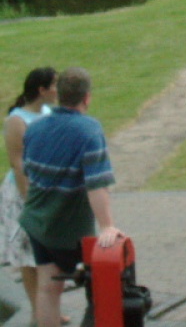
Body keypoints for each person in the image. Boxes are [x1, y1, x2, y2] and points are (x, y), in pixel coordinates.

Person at [20, 67, 123, 327]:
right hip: (69, 230)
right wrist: (107, 225)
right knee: (99, 287)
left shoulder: (34, 128)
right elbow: (96, 184)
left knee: (47, 287)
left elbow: (29, 173)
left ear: (59, 95)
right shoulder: (88, 130)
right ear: (86, 97)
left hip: (36, 222)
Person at [1, 68, 58, 325]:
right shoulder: (16, 120)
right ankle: (38, 311)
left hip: (46, 189)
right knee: (27, 256)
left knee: (46, 255)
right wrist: (29, 200)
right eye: (54, 85)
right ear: (42, 90)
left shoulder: (49, 114)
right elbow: (17, 162)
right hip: (23, 192)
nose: (58, 90)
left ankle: (49, 309)